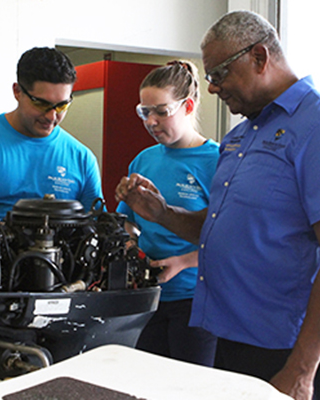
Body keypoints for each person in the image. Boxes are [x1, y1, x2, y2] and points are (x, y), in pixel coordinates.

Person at [115, 10, 320, 400]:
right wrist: (161, 213)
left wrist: (302, 369)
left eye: (219, 75)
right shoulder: (242, 135)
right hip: (226, 334)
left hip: (283, 346)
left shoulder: (318, 125)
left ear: (260, 58)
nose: (211, 88)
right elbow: (219, 230)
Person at [116, 60, 219, 366]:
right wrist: (130, 245)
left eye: (161, 111)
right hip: (147, 299)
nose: (151, 121)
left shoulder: (217, 162)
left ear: (187, 106)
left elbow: (232, 238)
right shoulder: (144, 160)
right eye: (144, 112)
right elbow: (126, 221)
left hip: (196, 299)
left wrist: (184, 262)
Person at [0, 47, 103, 231]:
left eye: (62, 106)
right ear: (17, 92)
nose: (51, 116)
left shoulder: (82, 158)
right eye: (41, 103)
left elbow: (96, 227)